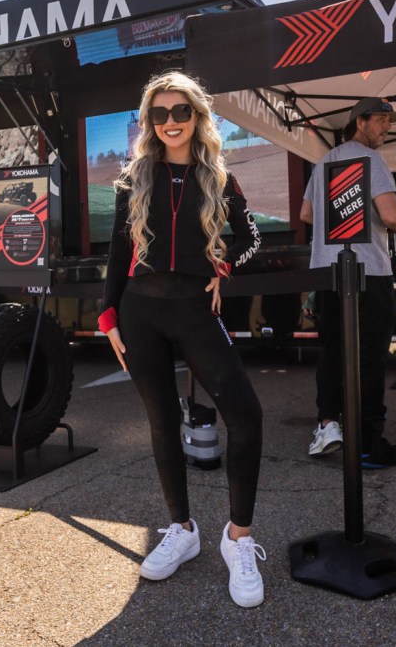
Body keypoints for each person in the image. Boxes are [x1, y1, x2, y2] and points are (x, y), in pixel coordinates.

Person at [98, 71, 266, 607]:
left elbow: (251, 237)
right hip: (139, 312)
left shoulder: (218, 176)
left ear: (197, 116)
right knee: (161, 420)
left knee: (246, 415)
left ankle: (237, 537)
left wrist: (223, 265)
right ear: (149, 121)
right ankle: (182, 529)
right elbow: (118, 253)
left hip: (195, 309)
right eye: (160, 114)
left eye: (181, 112)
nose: (171, 122)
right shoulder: (134, 179)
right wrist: (107, 317)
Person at [299, 97, 396, 469]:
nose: (386, 128)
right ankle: (367, 443)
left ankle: (329, 425)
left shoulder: (323, 164)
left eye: (388, 121)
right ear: (359, 122)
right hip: (368, 273)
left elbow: (306, 214)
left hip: (327, 272)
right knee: (370, 356)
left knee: (333, 352)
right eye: (381, 120)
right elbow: (392, 217)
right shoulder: (371, 160)